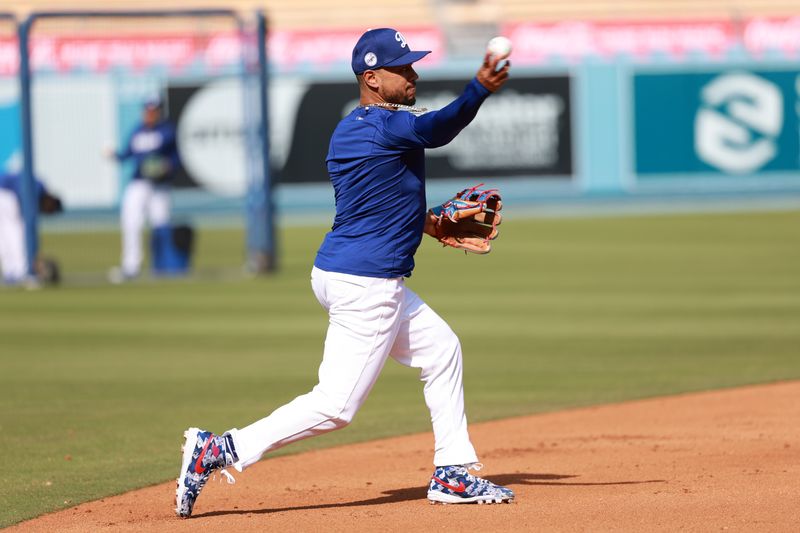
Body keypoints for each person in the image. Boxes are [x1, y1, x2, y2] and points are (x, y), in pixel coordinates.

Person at [175, 28, 512, 518]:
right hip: (367, 283)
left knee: (441, 350)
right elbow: (439, 128)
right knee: (335, 405)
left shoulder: (353, 130)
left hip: (345, 271)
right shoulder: (387, 127)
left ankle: (453, 472)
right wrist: (479, 87)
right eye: (403, 67)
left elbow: (377, 204)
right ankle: (218, 450)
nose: (413, 73)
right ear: (372, 78)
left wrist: (431, 223)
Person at [106, 97, 180, 282]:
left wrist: (166, 166)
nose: (150, 114)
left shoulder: (167, 130)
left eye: (153, 111)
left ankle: (163, 265)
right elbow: (126, 155)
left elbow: (176, 158)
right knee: (131, 222)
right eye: (147, 111)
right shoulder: (137, 131)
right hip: (139, 183)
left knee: (161, 224)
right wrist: (114, 155)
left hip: (160, 185)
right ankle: (131, 266)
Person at [0, 172, 62, 285]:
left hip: (5, 193)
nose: (47, 211)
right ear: (50, 199)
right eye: (50, 209)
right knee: (15, 232)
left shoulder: (38, 193)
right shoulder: (39, 188)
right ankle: (21, 271)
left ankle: (11, 271)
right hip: (6, 193)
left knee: (4, 235)